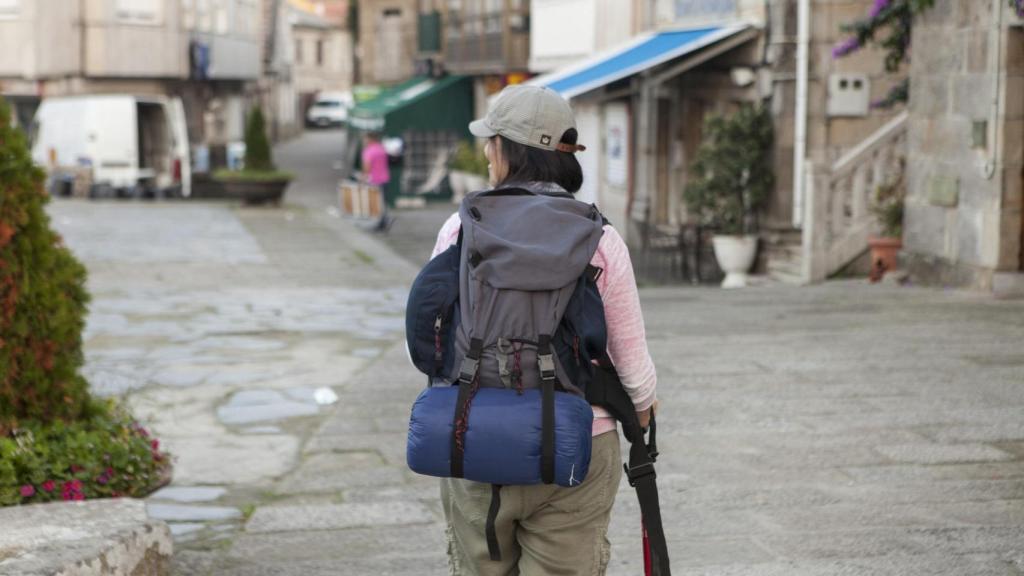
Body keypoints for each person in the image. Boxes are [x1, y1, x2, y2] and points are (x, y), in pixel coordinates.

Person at [429, 84, 659, 575]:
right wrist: (642, 408)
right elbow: (631, 361)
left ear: (506, 150)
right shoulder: (600, 237)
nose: (487, 153)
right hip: (576, 439)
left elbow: (428, 336)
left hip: (474, 433)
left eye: (491, 142)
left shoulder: (460, 228)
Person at [360, 131, 392, 231]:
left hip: (374, 180)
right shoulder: (381, 148)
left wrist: (363, 178)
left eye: (365, 138)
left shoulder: (368, 151)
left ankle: (378, 223)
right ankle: (384, 221)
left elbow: (367, 166)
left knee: (375, 203)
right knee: (383, 202)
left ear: (370, 139)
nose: (364, 140)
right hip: (384, 178)